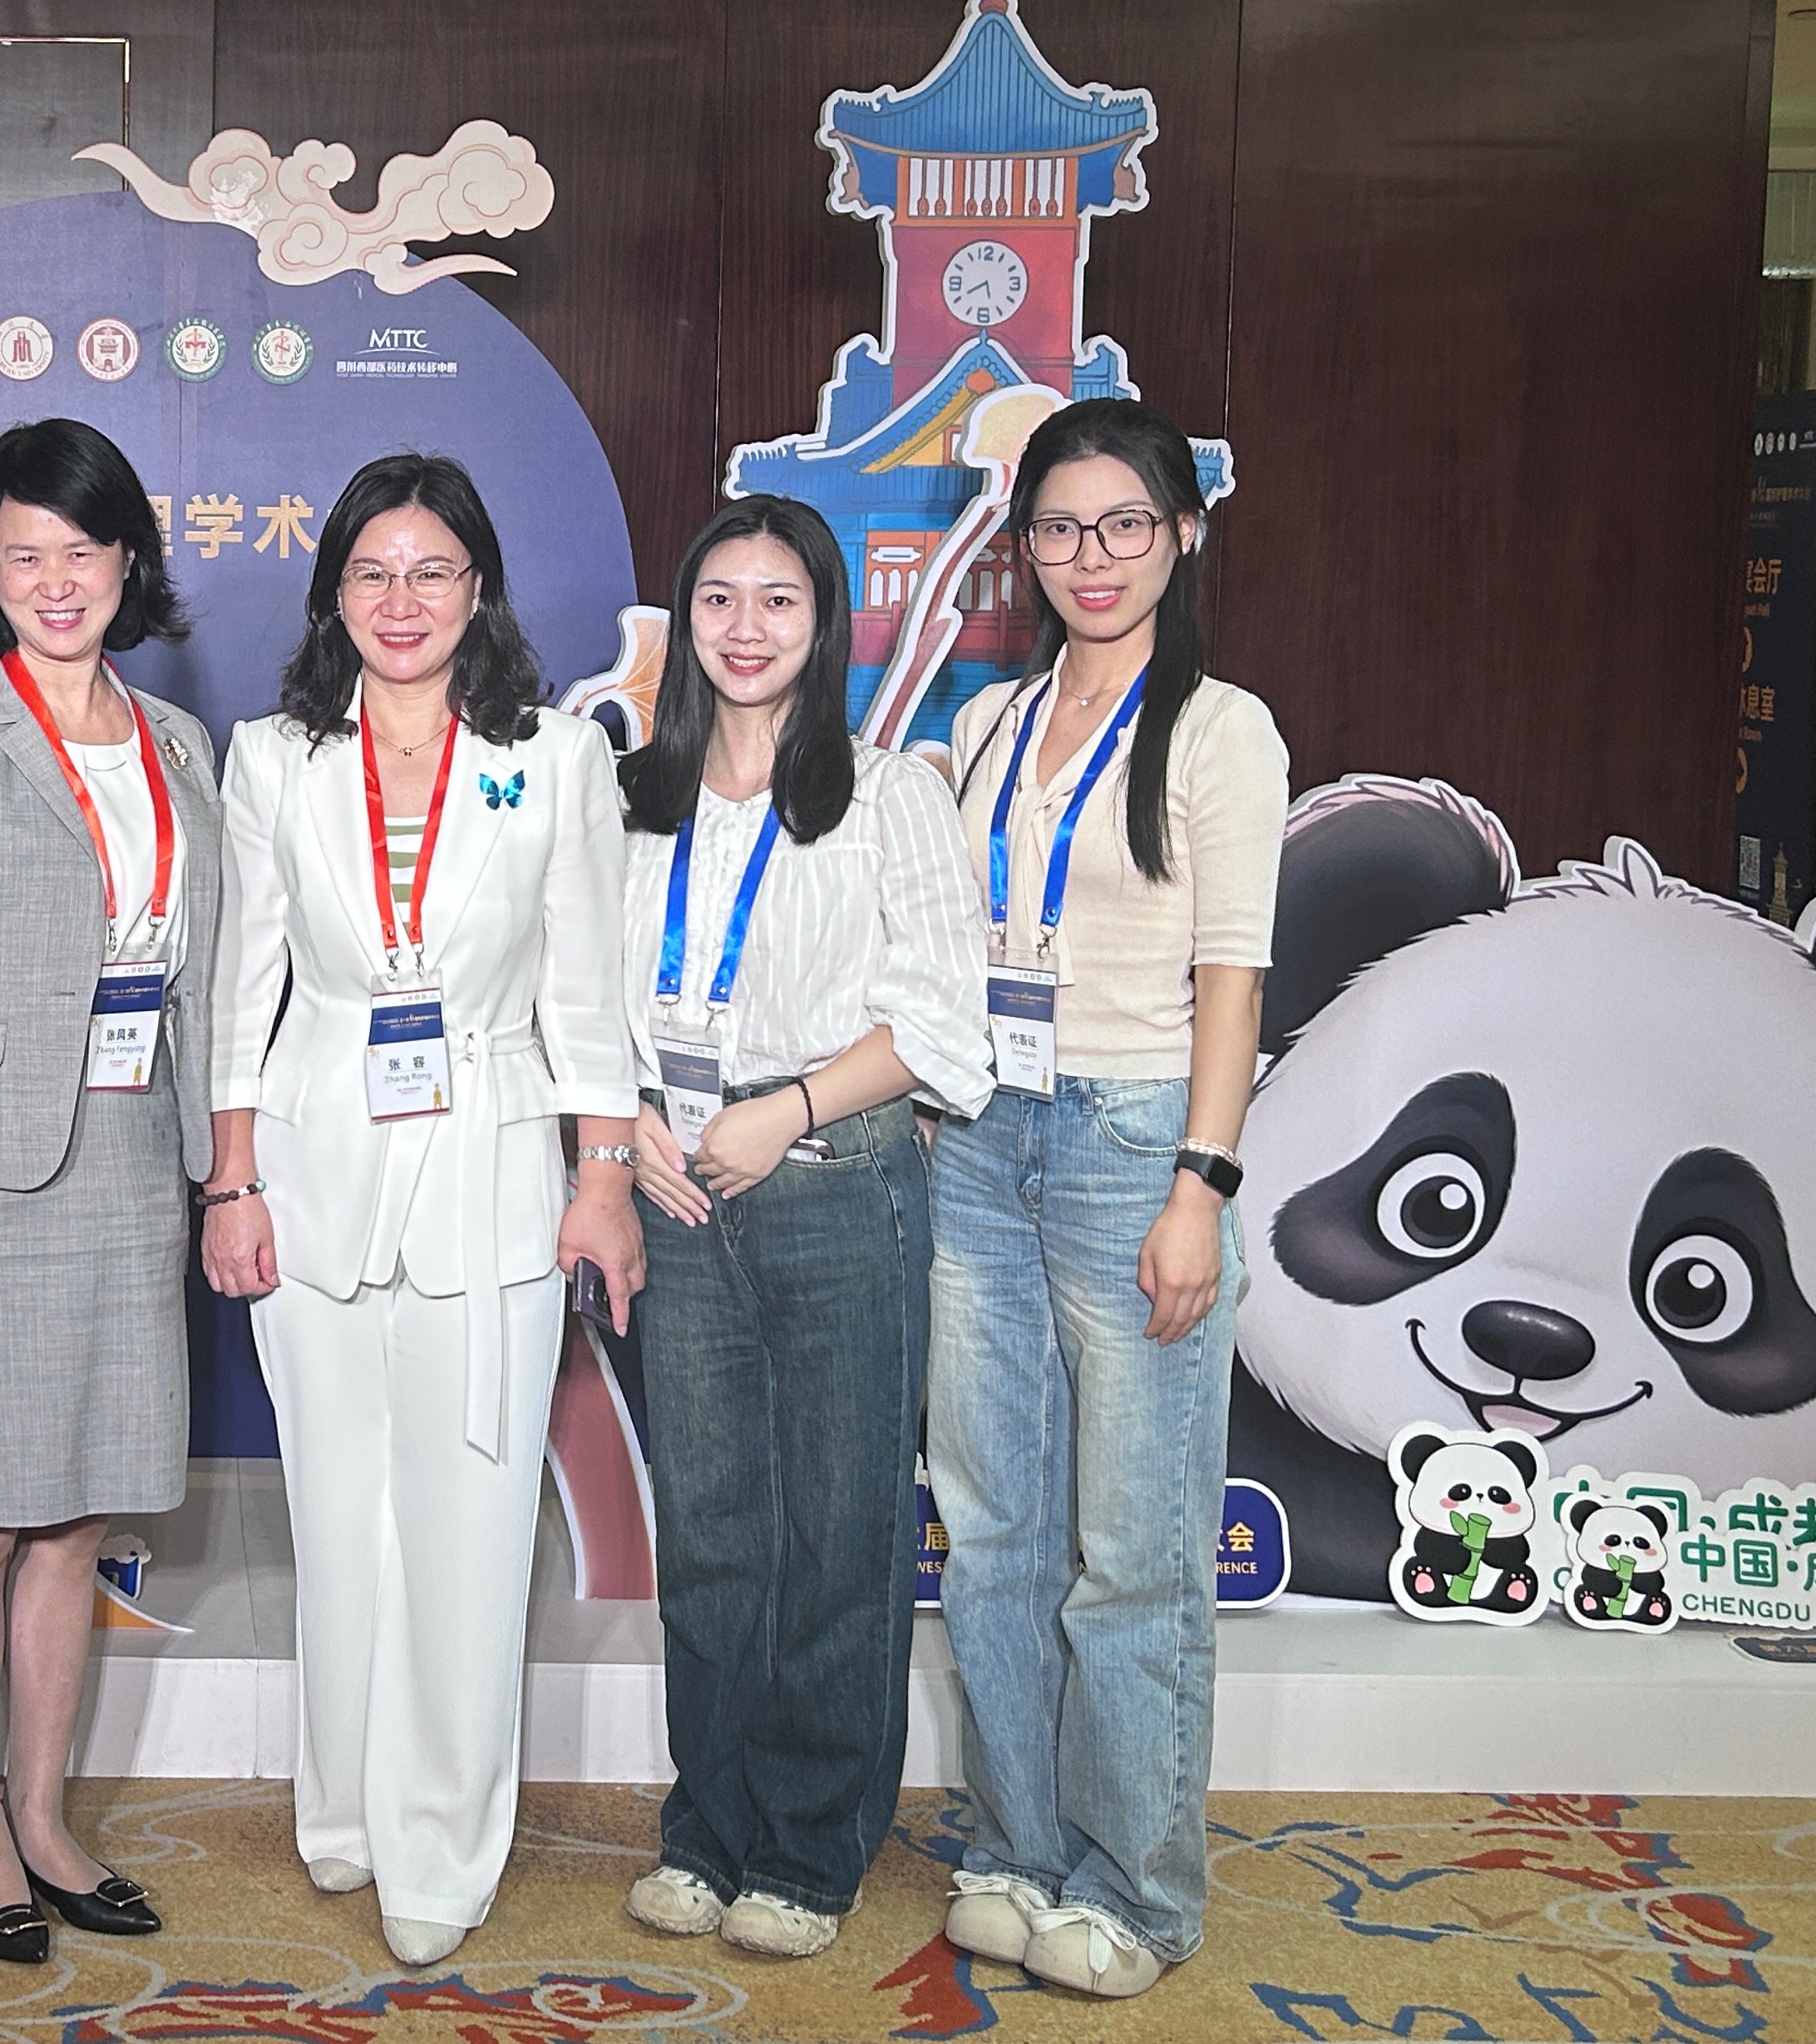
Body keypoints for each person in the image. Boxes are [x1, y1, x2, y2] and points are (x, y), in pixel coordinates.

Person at [200, 452, 638, 1970]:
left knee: (468, 1523)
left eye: (431, 571)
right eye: (372, 573)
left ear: (478, 589)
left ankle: (442, 1844)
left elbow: (587, 990)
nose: (402, 601)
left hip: (492, 1169)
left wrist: (603, 1178)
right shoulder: (272, 758)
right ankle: (344, 1806)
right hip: (310, 1167)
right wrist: (233, 1179)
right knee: (336, 1516)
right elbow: (241, 984)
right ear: (334, 592)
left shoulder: (554, 758)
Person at [926, 397, 1287, 2000]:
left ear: (1182, 535)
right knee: (996, 1528)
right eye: (1062, 526)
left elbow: (1234, 981)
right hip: (981, 1137)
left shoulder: (1219, 729)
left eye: (1126, 524)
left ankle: (1136, 1887)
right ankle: (1019, 1847)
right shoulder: (994, 720)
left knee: (1132, 1547)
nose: (1093, 555)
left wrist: (1200, 1185)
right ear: (1025, 545)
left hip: (1136, 1140)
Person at [0, 418, 222, 1965]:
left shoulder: (180, 743)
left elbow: (203, 981)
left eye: (82, 551)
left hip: (132, 1171)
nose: (56, 581)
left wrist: (220, 1175)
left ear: (128, 560)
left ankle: (50, 1815)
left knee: (75, 1521)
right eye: (25, 556)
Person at [609, 495, 992, 1960]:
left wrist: (788, 1108)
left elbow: (943, 1021)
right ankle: (706, 1831)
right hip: (676, 1189)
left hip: (833, 1179)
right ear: (687, 620)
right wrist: (624, 1119)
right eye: (719, 599)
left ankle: (814, 1848)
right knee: (709, 1532)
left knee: (839, 1532)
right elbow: (574, 990)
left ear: (825, 623)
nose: (746, 628)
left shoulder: (889, 795)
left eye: (779, 600)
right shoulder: (629, 796)